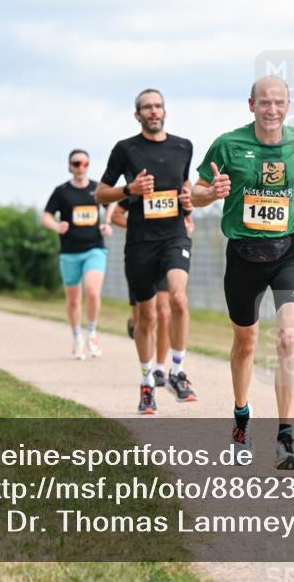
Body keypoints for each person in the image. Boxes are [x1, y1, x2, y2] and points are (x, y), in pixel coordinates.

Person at [192, 76, 294, 470]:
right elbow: (196, 192)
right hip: (243, 254)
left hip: (288, 251)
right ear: (250, 105)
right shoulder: (228, 144)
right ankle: (240, 420)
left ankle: (285, 438)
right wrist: (212, 191)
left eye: (279, 103)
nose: (272, 110)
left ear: (288, 105)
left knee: (288, 337)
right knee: (246, 343)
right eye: (264, 103)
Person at [96, 89, 197, 414]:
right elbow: (100, 194)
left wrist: (188, 204)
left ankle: (177, 371)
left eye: (158, 106)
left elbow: (184, 186)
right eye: (147, 108)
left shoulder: (183, 146)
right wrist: (130, 189)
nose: (154, 111)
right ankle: (146, 381)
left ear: (165, 111)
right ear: (137, 114)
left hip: (174, 237)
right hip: (140, 241)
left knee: (177, 301)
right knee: (147, 315)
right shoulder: (126, 149)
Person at [42, 149, 115, 360]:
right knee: (74, 300)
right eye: (76, 163)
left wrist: (107, 223)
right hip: (70, 252)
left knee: (92, 292)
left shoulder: (96, 189)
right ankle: (77, 337)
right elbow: (46, 216)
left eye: (84, 163)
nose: (80, 167)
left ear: (89, 165)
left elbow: (111, 203)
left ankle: (91, 332)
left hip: (95, 248)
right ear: (69, 166)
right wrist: (57, 227)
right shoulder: (62, 191)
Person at [114, 199, 195, 387]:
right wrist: (140, 226)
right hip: (142, 252)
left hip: (167, 252)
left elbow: (189, 218)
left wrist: (187, 225)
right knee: (144, 317)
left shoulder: (175, 184)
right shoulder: (139, 185)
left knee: (164, 311)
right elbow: (115, 215)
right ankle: (146, 363)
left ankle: (159, 368)